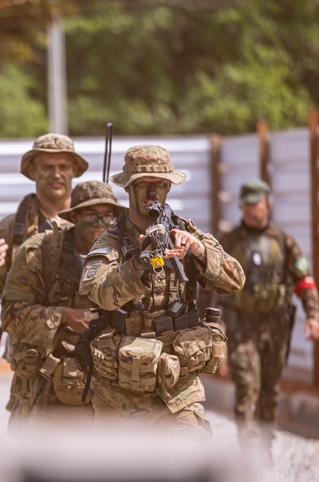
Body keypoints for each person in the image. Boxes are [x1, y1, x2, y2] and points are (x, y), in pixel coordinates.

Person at [78, 145, 245, 433]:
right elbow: (99, 293)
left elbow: (235, 280)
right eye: (143, 184)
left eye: (158, 184)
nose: (151, 192)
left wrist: (199, 252)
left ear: (168, 186)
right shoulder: (111, 241)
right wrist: (139, 264)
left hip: (178, 386)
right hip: (120, 391)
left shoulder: (186, 233)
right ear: (129, 188)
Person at [0, 134, 90, 427]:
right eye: (47, 167)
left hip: (91, 363)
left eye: (64, 166)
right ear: (32, 172)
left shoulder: (95, 223)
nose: (56, 174)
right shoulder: (11, 231)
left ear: (75, 171)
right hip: (35, 372)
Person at [1, 181, 126, 420]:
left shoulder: (125, 253)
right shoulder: (40, 251)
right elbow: (11, 314)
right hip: (47, 387)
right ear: (75, 216)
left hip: (109, 384)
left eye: (107, 217)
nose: (100, 224)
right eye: (90, 215)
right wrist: (63, 315)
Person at [217, 179, 319, 453]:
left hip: (276, 327)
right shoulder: (229, 241)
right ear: (240, 206)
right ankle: (249, 446)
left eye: (257, 204)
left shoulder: (283, 242)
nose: (252, 210)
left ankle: (264, 440)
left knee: (269, 389)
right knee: (246, 385)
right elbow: (212, 283)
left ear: (268, 205)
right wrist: (211, 324)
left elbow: (304, 280)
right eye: (247, 205)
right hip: (242, 325)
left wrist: (313, 315)